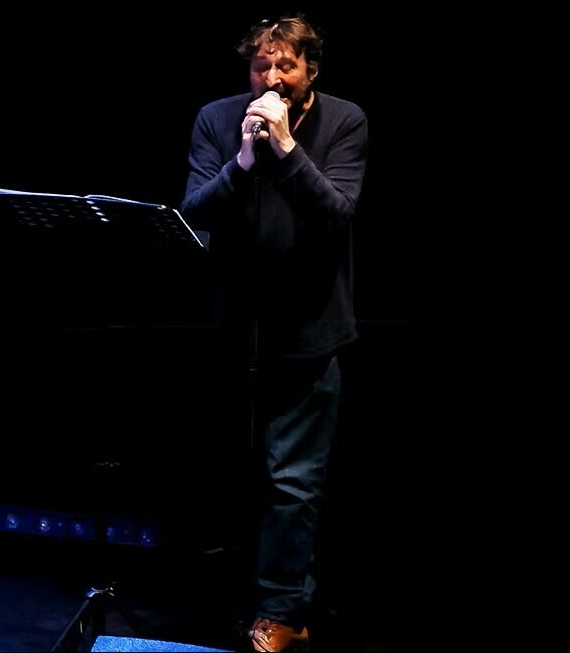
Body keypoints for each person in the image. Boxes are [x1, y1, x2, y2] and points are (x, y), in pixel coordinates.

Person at [178, 15, 367, 653]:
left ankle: (283, 611)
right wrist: (243, 159)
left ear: (311, 69)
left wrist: (286, 149)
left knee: (294, 481)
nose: (273, 77)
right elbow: (195, 212)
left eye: (286, 65)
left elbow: (337, 215)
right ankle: (231, 593)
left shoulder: (344, 121)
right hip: (234, 329)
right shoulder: (217, 118)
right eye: (263, 65)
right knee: (230, 473)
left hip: (310, 330)